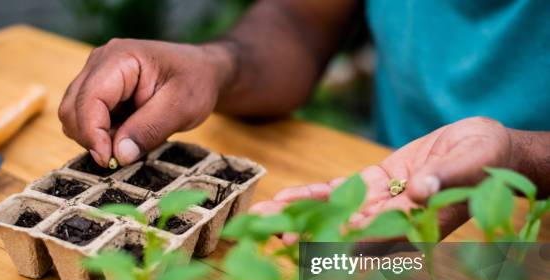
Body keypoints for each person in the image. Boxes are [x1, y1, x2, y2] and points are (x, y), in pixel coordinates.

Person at [58, 0, 550, 237]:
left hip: (532, 226)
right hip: (393, 186)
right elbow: (300, 21)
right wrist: (215, 64)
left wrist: (520, 159)